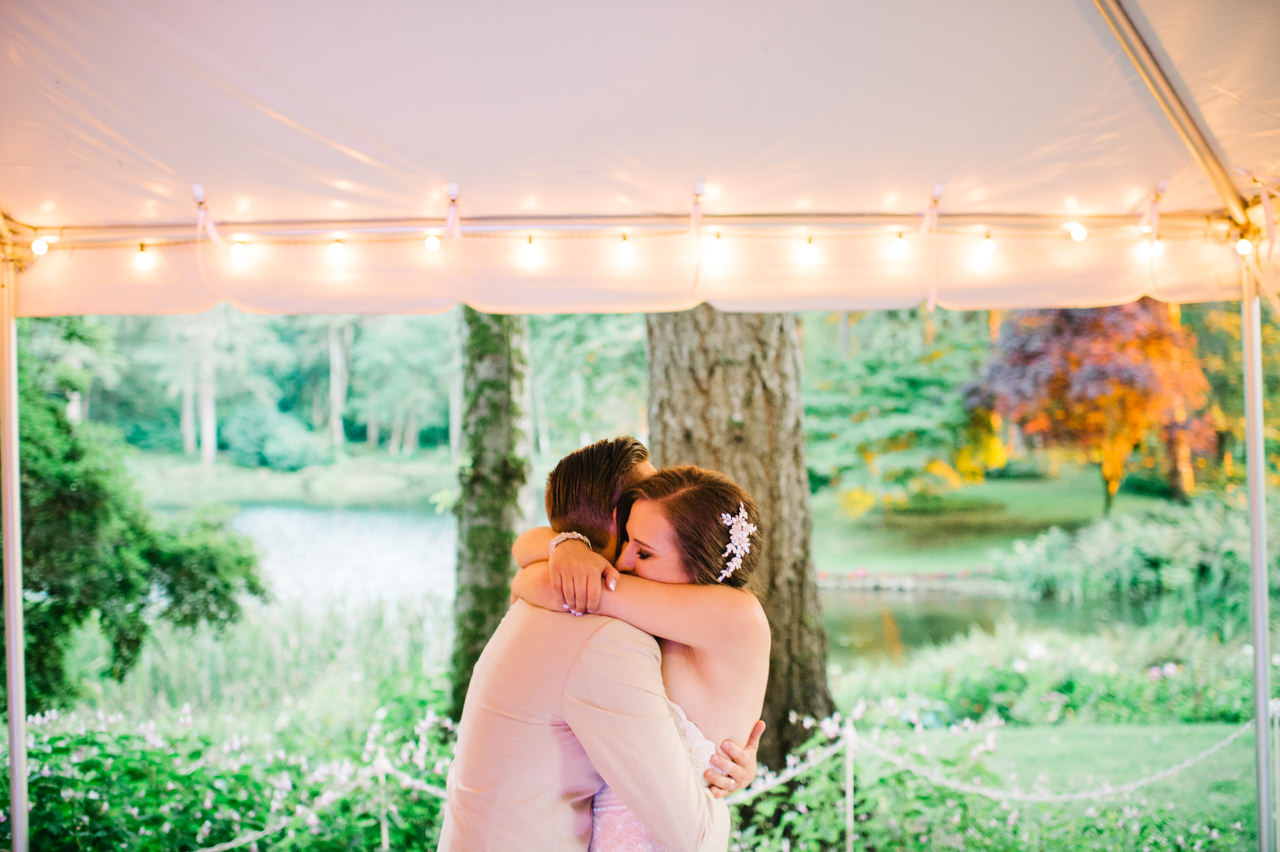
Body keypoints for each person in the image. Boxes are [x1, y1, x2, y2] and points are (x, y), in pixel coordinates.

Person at [439, 438, 759, 851]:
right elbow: (691, 833)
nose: (663, 491)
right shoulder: (604, 634)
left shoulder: (580, 603)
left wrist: (559, 549)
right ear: (622, 518)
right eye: (645, 498)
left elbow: (530, 576)